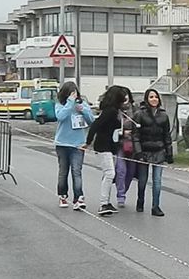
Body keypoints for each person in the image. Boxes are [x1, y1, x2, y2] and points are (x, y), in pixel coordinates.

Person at [85, 85, 126, 216]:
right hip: (103, 146)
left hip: (111, 146)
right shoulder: (110, 111)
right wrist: (88, 141)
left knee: (109, 173)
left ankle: (107, 201)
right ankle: (103, 203)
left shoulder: (114, 110)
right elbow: (96, 125)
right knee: (109, 173)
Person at [54, 81, 94, 210]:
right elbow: (60, 117)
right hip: (62, 143)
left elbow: (91, 120)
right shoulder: (60, 104)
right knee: (63, 171)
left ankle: (79, 197)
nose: (74, 96)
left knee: (77, 171)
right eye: (71, 93)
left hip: (78, 144)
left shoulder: (82, 104)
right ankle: (62, 195)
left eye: (75, 93)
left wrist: (83, 110)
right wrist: (70, 103)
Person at [133, 88, 173, 217]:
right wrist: (138, 152)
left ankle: (156, 206)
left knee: (157, 180)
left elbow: (167, 135)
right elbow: (136, 136)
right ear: (146, 99)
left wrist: (169, 152)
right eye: (151, 97)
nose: (154, 99)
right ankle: (140, 201)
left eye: (156, 97)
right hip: (144, 151)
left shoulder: (164, 115)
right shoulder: (140, 114)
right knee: (143, 180)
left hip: (159, 151)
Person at [114, 87, 139, 207]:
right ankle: (120, 196)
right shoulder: (115, 110)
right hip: (119, 144)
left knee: (130, 172)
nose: (125, 97)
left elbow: (141, 126)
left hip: (133, 144)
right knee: (121, 170)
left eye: (127, 94)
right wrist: (121, 132)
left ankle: (124, 190)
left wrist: (132, 132)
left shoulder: (135, 110)